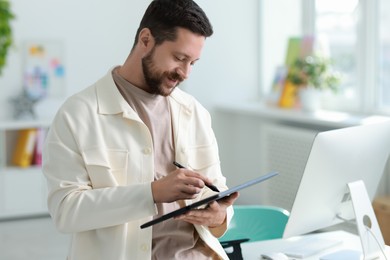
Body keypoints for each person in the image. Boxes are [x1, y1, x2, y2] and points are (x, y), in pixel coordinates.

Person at [42, 0, 238, 259]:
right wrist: (153, 192)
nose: (186, 73)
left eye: (193, 62)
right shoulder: (78, 114)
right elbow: (66, 211)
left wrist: (219, 215)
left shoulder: (195, 113)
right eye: (179, 58)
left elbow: (216, 188)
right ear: (146, 39)